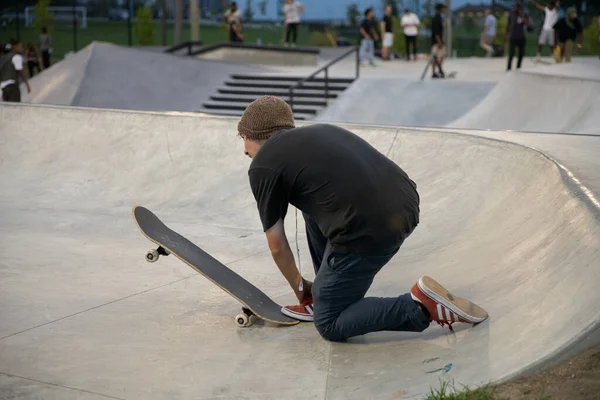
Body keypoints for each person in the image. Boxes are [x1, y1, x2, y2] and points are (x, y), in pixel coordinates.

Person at [237, 96, 487, 342]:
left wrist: (301, 288)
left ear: (250, 135)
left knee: (329, 323)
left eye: (242, 139)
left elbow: (277, 245)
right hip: (405, 206)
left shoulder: (263, 165)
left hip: (368, 228)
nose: (244, 149)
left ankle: (419, 306)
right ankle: (328, 293)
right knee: (312, 203)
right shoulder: (321, 130)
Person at [506, 1, 529, 71]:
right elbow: (508, 25)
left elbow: (527, 24)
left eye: (517, 7)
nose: (516, 8)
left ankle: (518, 68)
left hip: (521, 37)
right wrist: (507, 34)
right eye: (515, 7)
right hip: (513, 36)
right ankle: (509, 68)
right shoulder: (511, 14)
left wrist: (521, 15)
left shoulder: (524, 14)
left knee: (521, 54)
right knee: (511, 54)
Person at [431, 3, 446, 78]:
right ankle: (434, 72)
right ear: (440, 9)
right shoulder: (437, 19)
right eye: (443, 8)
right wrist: (439, 42)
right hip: (436, 41)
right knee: (435, 56)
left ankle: (438, 70)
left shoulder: (439, 17)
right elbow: (436, 32)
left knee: (441, 55)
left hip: (438, 40)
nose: (444, 10)